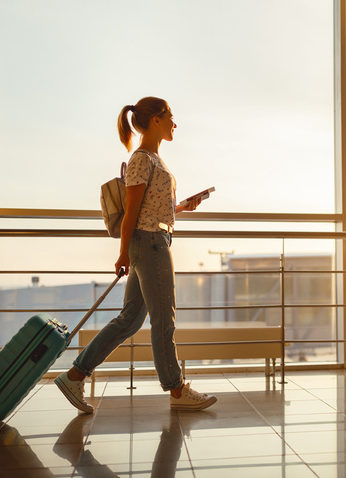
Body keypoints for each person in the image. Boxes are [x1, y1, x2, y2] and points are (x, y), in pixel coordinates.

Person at [56, 96, 217, 412]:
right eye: (171, 116)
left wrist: (182, 206)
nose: (175, 122)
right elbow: (130, 213)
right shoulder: (142, 159)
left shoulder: (154, 160)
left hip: (153, 240)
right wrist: (123, 254)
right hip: (150, 244)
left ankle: (74, 375)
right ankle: (176, 388)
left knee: (129, 320)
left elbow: (151, 207)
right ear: (156, 119)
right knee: (163, 319)